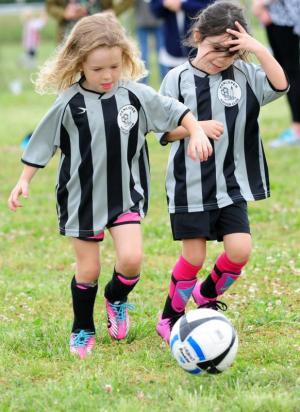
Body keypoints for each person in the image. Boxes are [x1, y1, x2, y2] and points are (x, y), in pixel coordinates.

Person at [8, 12, 212, 359]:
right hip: (81, 198)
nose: (107, 76)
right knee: (88, 270)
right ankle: (82, 326)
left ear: (125, 59)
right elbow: (42, 143)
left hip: (125, 195)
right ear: (79, 63)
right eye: (98, 69)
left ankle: (116, 298)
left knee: (131, 259)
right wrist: (24, 180)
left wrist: (195, 131)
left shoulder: (135, 95)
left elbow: (176, 111)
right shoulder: (68, 103)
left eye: (114, 67)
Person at [155, 0, 289, 343]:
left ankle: (206, 297)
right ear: (198, 36)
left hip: (233, 183)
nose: (222, 58)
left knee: (240, 250)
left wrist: (258, 48)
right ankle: (170, 316)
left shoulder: (244, 74)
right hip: (191, 184)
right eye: (216, 49)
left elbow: (280, 85)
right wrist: (194, 128)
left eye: (231, 53)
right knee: (194, 257)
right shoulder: (177, 78)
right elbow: (161, 131)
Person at [252, 0, 300, 147]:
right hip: (274, 18)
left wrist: (260, 3)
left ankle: (297, 129)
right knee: (287, 73)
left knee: (293, 74)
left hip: (288, 20)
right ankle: (296, 127)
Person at [150, 0, 213, 76]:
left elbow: (210, 8)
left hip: (198, 48)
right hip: (173, 48)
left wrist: (182, 5)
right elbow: (155, 9)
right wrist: (165, 3)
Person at [46, 0, 134, 43]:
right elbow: (50, 7)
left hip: (101, 33)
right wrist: (64, 13)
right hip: (69, 35)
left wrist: (115, 11)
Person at [135, 0, 164, 83]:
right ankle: (163, 78)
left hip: (150, 22)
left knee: (158, 53)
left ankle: (144, 80)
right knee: (157, 52)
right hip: (152, 21)